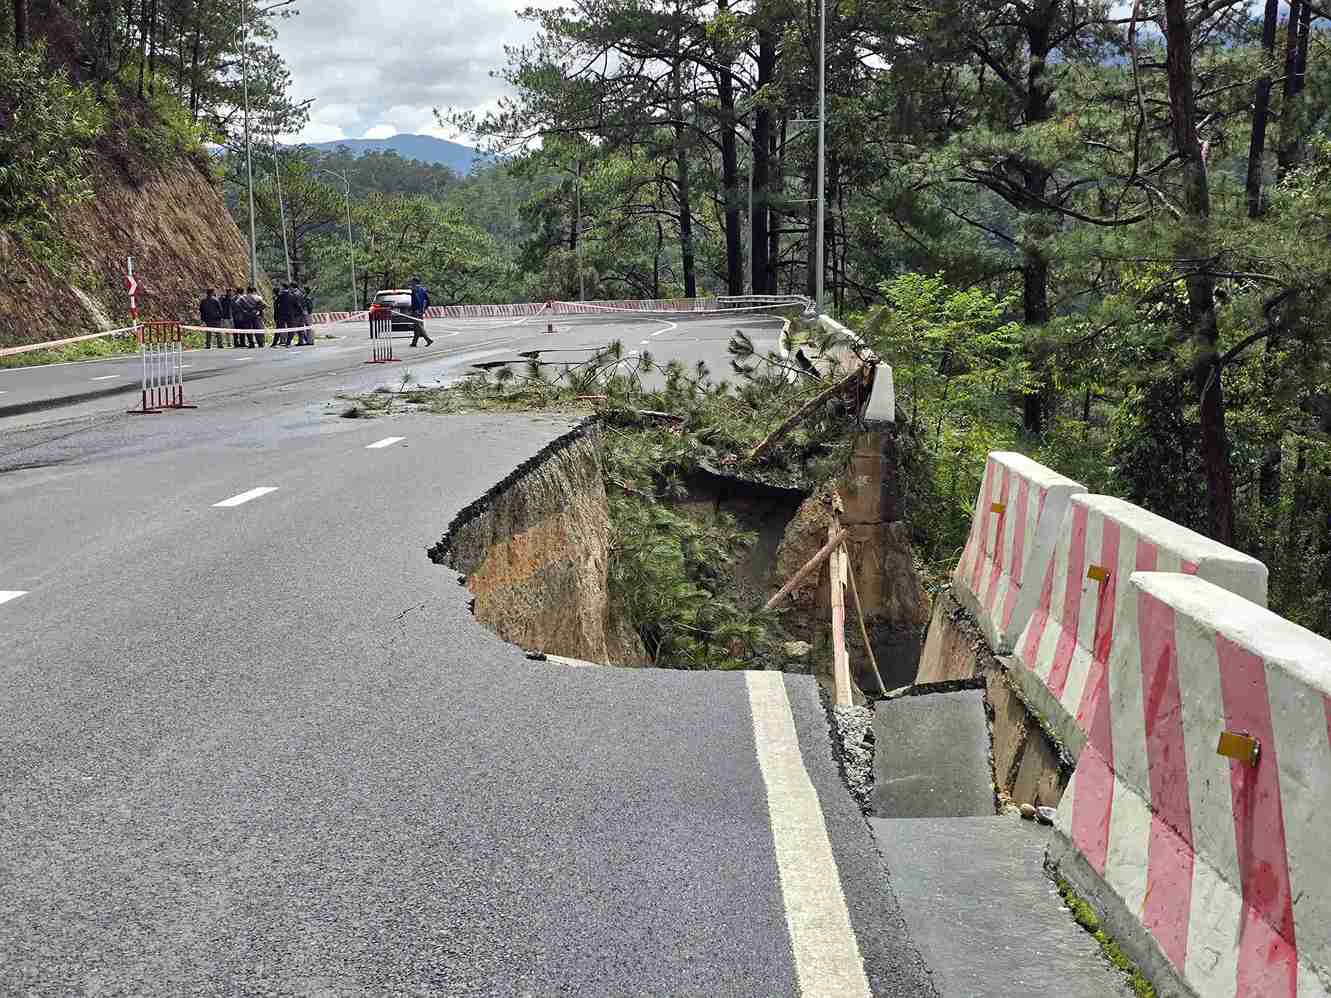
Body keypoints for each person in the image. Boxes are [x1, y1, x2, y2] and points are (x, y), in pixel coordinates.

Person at [409, 277, 433, 347]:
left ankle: (428, 339)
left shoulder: (414, 290)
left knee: (418, 325)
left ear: (415, 282)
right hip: (420, 310)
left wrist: (414, 309)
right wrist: (424, 308)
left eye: (412, 282)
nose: (411, 283)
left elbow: (415, 300)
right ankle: (414, 342)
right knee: (416, 326)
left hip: (416, 310)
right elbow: (428, 300)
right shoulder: (423, 289)